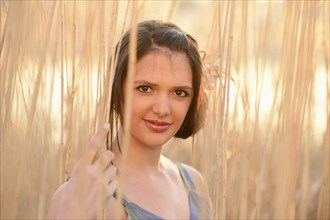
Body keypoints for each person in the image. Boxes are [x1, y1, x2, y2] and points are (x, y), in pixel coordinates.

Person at [47, 20, 212, 219]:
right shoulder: (88, 195)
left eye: (179, 92)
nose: (162, 109)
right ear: (116, 91)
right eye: (145, 89)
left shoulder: (193, 183)